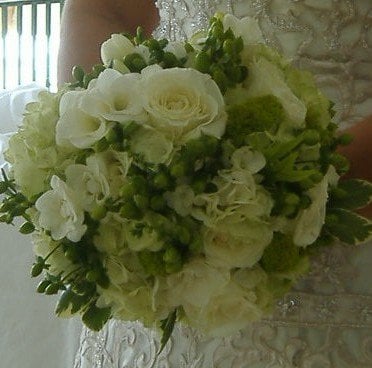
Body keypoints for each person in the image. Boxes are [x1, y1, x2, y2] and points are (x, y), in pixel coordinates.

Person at [57, 0, 372, 367]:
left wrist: (287, 194)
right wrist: (101, 156)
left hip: (345, 240)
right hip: (162, 249)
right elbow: (105, 9)